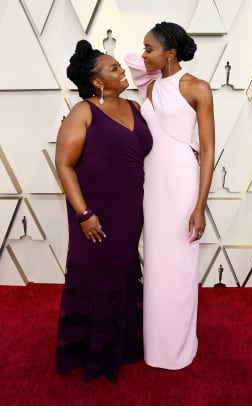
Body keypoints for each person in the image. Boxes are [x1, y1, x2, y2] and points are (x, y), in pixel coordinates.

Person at [55, 39, 153, 383]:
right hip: (94, 211)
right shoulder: (83, 111)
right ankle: (93, 352)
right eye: (114, 68)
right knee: (96, 276)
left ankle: (123, 344)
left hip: (130, 211)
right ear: (97, 81)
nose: (122, 70)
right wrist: (84, 215)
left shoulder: (135, 107)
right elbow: (64, 165)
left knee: (124, 272)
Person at [124, 22, 215, 370]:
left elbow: (207, 150)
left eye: (150, 48)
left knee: (180, 265)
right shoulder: (149, 84)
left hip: (181, 183)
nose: (143, 54)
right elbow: (133, 61)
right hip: (152, 184)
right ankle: (157, 346)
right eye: (144, 48)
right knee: (158, 266)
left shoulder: (198, 88)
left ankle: (178, 348)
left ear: (171, 53)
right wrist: (151, 59)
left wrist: (200, 206)